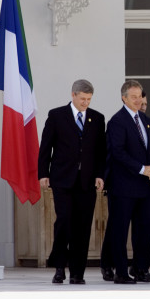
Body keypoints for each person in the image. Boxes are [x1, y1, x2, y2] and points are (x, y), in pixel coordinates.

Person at [38, 79, 106, 285]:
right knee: (64, 222)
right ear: (73, 95)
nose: (86, 103)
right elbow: (46, 147)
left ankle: (78, 273)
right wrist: (43, 174)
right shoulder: (56, 115)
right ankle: (59, 267)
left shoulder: (97, 118)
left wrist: (100, 175)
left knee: (83, 227)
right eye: (83, 99)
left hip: (86, 182)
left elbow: (101, 151)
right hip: (62, 180)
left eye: (89, 99)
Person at [102, 80, 150, 284]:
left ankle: (141, 269)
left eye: (140, 96)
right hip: (123, 186)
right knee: (120, 229)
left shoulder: (147, 121)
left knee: (147, 226)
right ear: (124, 98)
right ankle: (120, 271)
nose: (138, 100)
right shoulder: (117, 122)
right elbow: (118, 152)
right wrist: (142, 169)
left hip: (144, 187)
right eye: (133, 97)